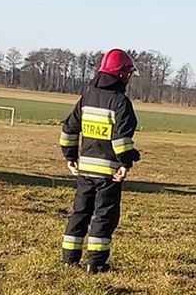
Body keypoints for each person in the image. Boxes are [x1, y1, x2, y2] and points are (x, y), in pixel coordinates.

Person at [59, 49, 141, 273]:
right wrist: (126, 163)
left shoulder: (87, 97)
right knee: (104, 216)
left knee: (80, 213)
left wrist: (70, 156)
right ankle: (96, 264)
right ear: (122, 74)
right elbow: (122, 141)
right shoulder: (120, 102)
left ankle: (69, 259)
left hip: (85, 170)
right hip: (108, 173)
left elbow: (69, 129)